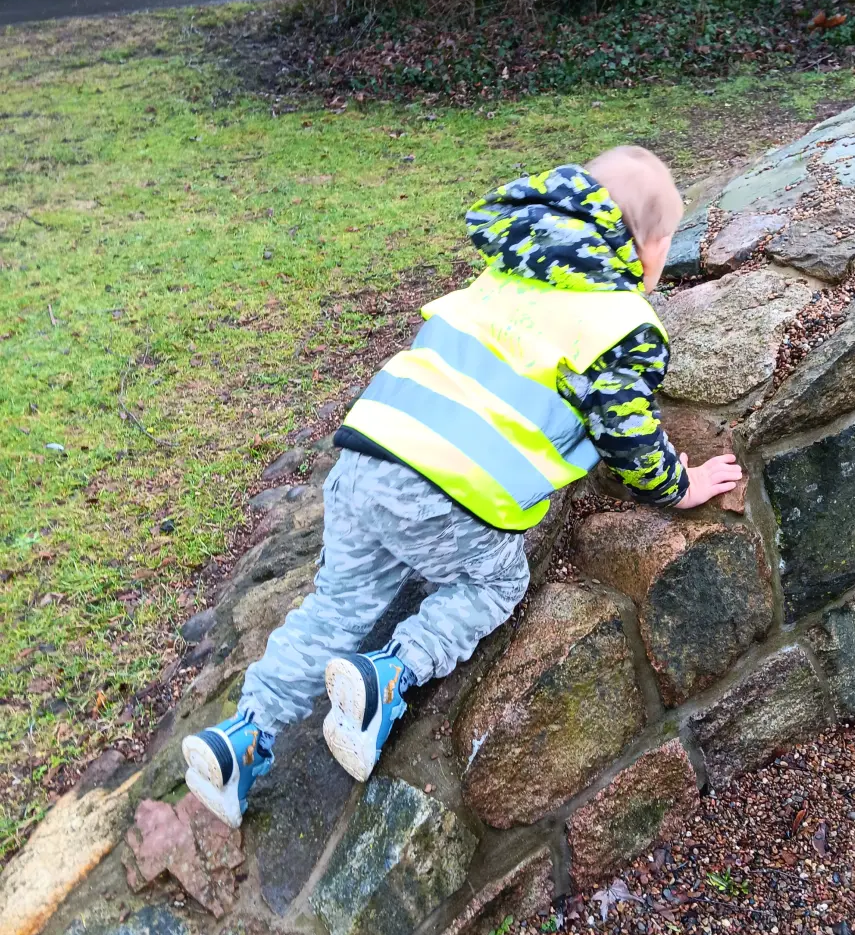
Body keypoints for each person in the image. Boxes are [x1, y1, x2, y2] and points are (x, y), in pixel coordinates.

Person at [181, 146, 742, 825]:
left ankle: (241, 738)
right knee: (494, 583)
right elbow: (627, 436)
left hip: (367, 458)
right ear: (645, 247)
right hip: (450, 490)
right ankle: (389, 674)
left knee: (337, 605)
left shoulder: (508, 268)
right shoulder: (621, 322)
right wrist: (679, 486)